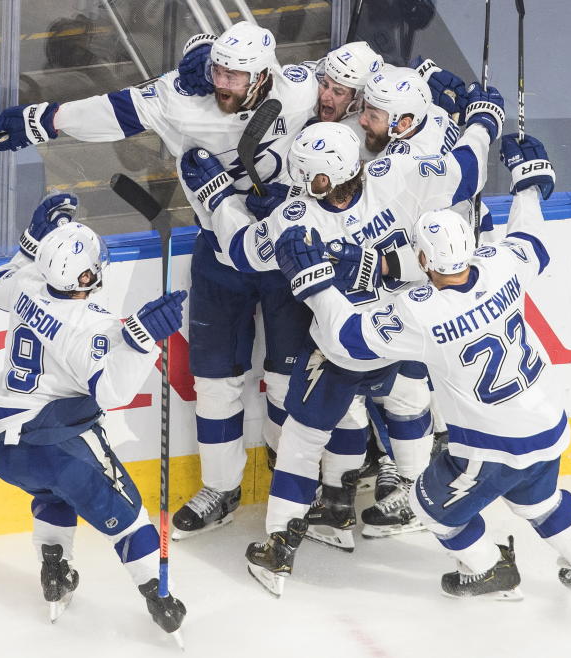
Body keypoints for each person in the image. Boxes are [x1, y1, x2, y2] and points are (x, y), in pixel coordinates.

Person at [0, 21, 319, 540]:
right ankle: (222, 488)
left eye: (236, 76)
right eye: (219, 71)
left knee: (287, 383)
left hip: (291, 257)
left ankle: (291, 486)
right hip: (221, 252)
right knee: (213, 387)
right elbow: (117, 111)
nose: (223, 83)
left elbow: (357, 89)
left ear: (263, 75)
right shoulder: (182, 96)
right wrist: (45, 119)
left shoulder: (301, 87)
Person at [272, 133, 571, 602]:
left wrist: (312, 281)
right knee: (539, 500)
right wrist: (528, 186)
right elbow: (532, 240)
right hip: (548, 424)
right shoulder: (500, 262)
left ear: (422, 259)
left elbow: (346, 341)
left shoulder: (421, 312)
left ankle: (489, 571)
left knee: (431, 507)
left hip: (492, 443)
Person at [181, 80, 504, 592]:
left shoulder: (295, 220)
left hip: (343, 352)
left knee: (302, 443)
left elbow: (242, 251)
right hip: (403, 336)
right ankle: (468, 546)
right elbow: (466, 172)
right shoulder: (395, 171)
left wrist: (217, 197)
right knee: (412, 414)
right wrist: (484, 120)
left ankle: (281, 548)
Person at [0, 193, 189, 633]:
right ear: (88, 272)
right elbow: (111, 391)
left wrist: (29, 241)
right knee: (129, 519)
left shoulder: (28, 284)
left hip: (3, 447)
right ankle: (159, 595)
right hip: (58, 446)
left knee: (53, 493)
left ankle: (54, 569)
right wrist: (142, 339)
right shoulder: (93, 326)